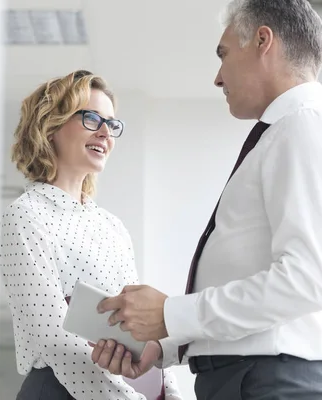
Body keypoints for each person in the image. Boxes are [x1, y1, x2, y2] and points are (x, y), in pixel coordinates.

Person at [89, 1, 322, 399]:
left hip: (267, 383)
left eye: (224, 54)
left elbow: (307, 279)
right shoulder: (286, 131)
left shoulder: (299, 124)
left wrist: (169, 315)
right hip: (249, 378)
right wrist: (164, 343)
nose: (217, 77)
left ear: (263, 41)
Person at [0, 70, 183, 400]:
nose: (105, 133)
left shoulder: (112, 227)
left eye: (111, 124)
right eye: (91, 118)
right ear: (50, 126)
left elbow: (139, 328)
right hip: (60, 389)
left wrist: (171, 394)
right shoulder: (27, 215)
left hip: (122, 389)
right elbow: (54, 339)